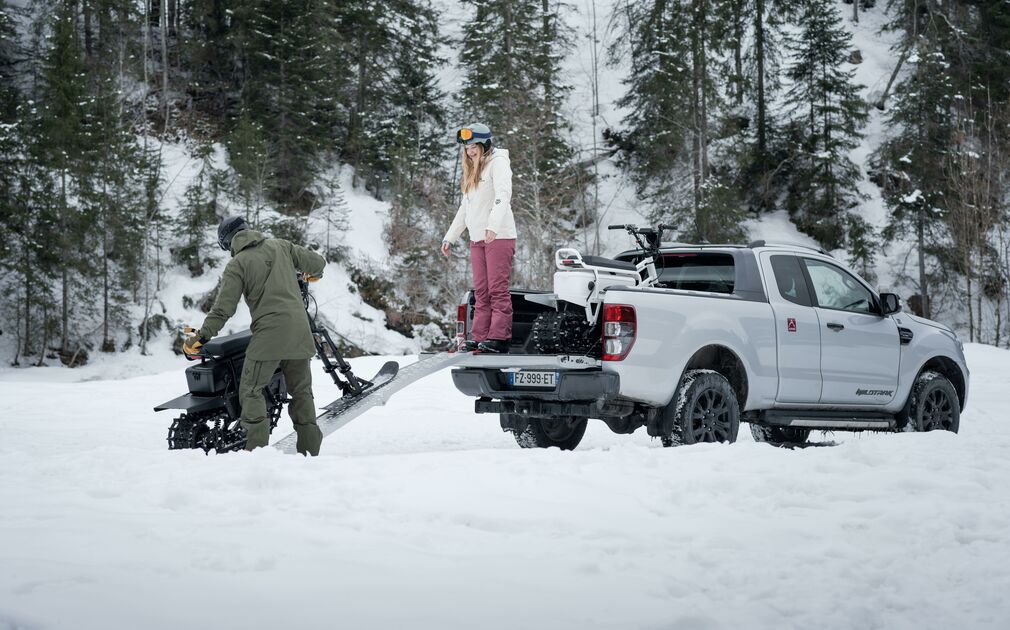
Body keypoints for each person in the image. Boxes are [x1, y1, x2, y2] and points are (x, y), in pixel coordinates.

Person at [183, 216, 327, 456]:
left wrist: (200, 337)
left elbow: (223, 309)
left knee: (251, 391)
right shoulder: (281, 246)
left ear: (227, 242)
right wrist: (312, 275)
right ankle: (310, 454)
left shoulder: (238, 264)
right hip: (300, 333)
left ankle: (256, 458)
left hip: (269, 336)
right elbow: (318, 264)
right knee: (302, 393)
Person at [441, 123, 517, 354]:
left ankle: (499, 337)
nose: (470, 151)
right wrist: (450, 237)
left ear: (485, 144)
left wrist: (493, 226)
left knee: (497, 289)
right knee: (481, 291)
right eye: (467, 147)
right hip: (477, 239)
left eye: (474, 146)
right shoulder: (473, 170)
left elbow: (503, 195)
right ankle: (480, 337)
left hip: (498, 236)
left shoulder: (498, 163)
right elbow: (465, 208)